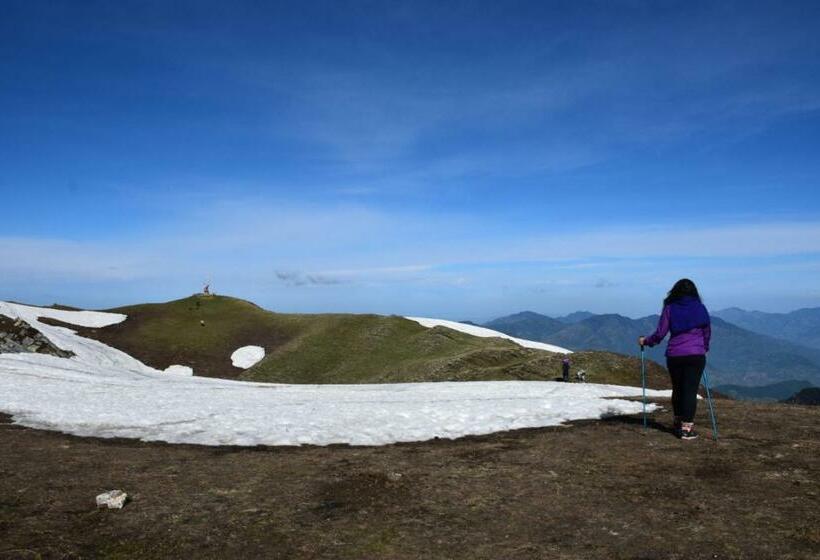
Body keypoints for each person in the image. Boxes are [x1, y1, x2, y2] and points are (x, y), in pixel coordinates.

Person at [639, 278, 711, 440]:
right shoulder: (701, 309)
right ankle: (686, 428)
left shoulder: (670, 309)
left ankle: (678, 422)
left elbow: (660, 333)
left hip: (675, 355)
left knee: (678, 388)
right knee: (690, 391)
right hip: (696, 355)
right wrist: (704, 348)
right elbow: (707, 333)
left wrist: (646, 341)